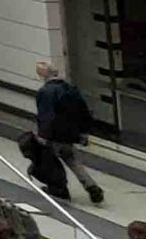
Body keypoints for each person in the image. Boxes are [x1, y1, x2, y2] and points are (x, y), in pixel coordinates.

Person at [33, 62, 105, 204]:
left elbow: (47, 115)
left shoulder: (45, 92)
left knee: (49, 162)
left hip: (53, 135)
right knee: (73, 161)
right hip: (69, 135)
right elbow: (83, 112)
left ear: (42, 75)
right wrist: (84, 132)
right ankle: (91, 186)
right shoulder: (71, 89)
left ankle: (59, 189)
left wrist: (42, 135)